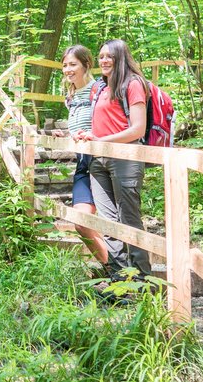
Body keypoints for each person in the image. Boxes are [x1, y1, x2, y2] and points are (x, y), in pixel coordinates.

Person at [74, 38, 151, 280]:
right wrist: (92, 136)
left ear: (121, 57)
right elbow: (104, 126)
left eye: (109, 56)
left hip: (125, 159)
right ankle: (120, 282)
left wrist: (102, 141)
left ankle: (141, 282)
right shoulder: (100, 88)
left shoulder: (133, 84)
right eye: (101, 56)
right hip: (99, 161)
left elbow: (137, 129)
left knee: (128, 219)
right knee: (108, 223)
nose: (104, 60)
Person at [52, 45, 108, 266]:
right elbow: (81, 127)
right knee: (80, 222)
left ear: (86, 64)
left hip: (102, 161)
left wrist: (95, 135)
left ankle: (121, 276)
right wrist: (67, 133)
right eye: (65, 65)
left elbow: (111, 124)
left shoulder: (100, 90)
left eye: (73, 64)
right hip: (83, 163)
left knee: (111, 223)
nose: (68, 69)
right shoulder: (71, 95)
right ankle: (112, 269)